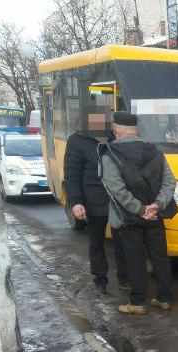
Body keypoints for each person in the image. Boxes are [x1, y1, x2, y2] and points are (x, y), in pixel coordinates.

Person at [100, 112, 176, 316]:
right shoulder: (155, 151)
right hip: (155, 215)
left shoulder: (110, 154)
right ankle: (164, 298)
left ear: (117, 131)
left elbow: (116, 189)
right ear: (136, 130)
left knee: (134, 259)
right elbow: (170, 182)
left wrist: (140, 209)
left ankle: (138, 302)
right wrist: (156, 206)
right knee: (160, 257)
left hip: (128, 218)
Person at [65, 114, 128, 294]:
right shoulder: (77, 141)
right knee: (97, 242)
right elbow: (72, 175)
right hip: (93, 200)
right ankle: (100, 279)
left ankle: (125, 277)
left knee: (123, 241)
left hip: (117, 198)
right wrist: (76, 202)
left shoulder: (114, 137)